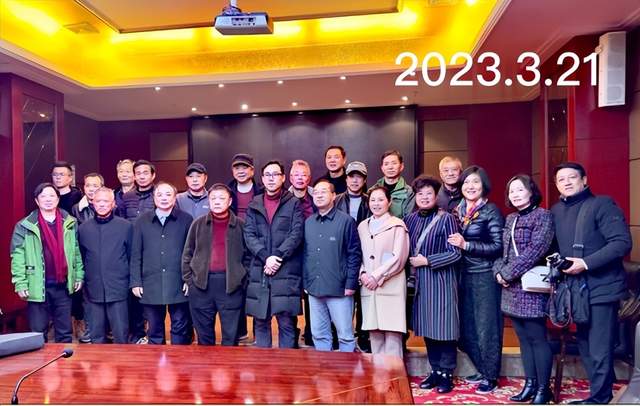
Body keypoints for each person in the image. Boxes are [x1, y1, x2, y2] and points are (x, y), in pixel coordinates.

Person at [551, 162, 632, 404]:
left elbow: (622, 243)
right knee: (586, 344)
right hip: (575, 289)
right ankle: (600, 394)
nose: (566, 182)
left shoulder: (602, 204)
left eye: (572, 177)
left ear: (584, 180)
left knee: (599, 347)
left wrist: (585, 263)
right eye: (561, 179)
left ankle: (600, 398)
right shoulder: (556, 210)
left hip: (602, 286)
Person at [493, 175, 554, 404]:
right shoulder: (511, 218)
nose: (515, 194)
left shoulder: (543, 216)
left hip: (531, 288)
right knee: (523, 339)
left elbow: (536, 250)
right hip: (511, 288)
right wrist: (498, 272)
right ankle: (530, 384)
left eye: (520, 189)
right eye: (512, 191)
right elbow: (504, 252)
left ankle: (543, 389)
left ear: (531, 191)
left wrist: (507, 274)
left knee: (537, 338)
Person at [447, 165, 504, 394]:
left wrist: (467, 245)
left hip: (484, 275)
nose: (470, 186)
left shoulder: (490, 211)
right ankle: (481, 367)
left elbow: (498, 246)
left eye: (475, 182)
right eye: (467, 182)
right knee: (467, 328)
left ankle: (490, 375)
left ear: (483, 185)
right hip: (462, 274)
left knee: (486, 328)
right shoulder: (458, 210)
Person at [404, 175, 461, 394]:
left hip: (441, 282)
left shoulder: (447, 219)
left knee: (444, 329)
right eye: (420, 194)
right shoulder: (410, 220)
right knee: (428, 328)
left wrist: (427, 261)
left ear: (436, 196)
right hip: (419, 284)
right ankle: (435, 370)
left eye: (429, 193)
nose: (425, 197)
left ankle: (447, 373)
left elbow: (455, 253)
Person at [10, 183, 84, 343]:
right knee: (38, 333)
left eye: (52, 196)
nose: (48, 199)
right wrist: (20, 283)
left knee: (64, 333)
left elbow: (76, 251)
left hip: (63, 285)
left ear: (58, 199)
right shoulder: (25, 226)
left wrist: (78, 275)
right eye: (43, 196)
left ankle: (63, 360)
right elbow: (17, 256)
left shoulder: (69, 222)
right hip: (37, 285)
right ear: (37, 201)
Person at [244, 160, 304, 349]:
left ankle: (286, 366)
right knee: (261, 321)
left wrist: (277, 256)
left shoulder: (293, 203)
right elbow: (249, 234)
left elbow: (296, 233)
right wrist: (265, 257)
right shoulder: (254, 204)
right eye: (267, 175)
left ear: (283, 178)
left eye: (275, 174)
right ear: (262, 179)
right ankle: (265, 365)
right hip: (260, 270)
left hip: (285, 269)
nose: (271, 179)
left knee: (286, 322)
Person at [182, 183, 249, 346]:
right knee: (204, 339)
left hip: (231, 286)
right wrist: (190, 281)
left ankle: (229, 363)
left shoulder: (240, 225)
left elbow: (248, 257)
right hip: (201, 286)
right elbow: (187, 254)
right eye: (213, 198)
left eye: (221, 198)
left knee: (231, 338)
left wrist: (242, 279)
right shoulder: (198, 224)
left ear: (230, 201)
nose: (217, 202)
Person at [130, 182, 193, 345]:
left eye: (168, 194)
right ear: (154, 197)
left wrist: (189, 279)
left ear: (175, 198)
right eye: (159, 195)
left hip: (177, 281)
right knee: (154, 330)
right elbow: (136, 254)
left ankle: (178, 359)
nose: (164, 198)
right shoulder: (142, 221)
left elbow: (191, 253)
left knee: (180, 327)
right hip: (150, 282)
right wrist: (136, 281)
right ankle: (156, 360)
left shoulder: (186, 220)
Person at [303, 180, 362, 352]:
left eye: (323, 191)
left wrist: (351, 284)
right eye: (316, 192)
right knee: (319, 334)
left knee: (345, 336)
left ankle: (346, 369)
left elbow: (354, 254)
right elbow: (305, 254)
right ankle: (324, 369)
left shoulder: (346, 221)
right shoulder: (309, 222)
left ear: (334, 196)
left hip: (340, 289)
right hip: (314, 289)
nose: (319, 195)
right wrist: (306, 283)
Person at [358, 185, 410, 358]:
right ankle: (378, 373)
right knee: (375, 335)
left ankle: (394, 375)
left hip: (390, 286)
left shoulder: (397, 225)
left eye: (380, 199)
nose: (376, 203)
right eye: (372, 200)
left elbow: (399, 257)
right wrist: (363, 274)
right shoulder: (362, 226)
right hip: (368, 287)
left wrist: (376, 276)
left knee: (392, 335)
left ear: (389, 202)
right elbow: (357, 255)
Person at [78, 187, 133, 344]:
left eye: (106, 201)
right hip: (92, 288)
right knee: (96, 336)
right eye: (98, 201)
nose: (102, 204)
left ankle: (122, 361)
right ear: (92, 203)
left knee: (121, 334)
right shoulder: (83, 228)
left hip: (118, 287)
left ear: (113, 203)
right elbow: (81, 257)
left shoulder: (125, 226)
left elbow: (131, 256)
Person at [334, 160, 371, 352]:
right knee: (342, 299)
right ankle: (342, 338)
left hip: (366, 255)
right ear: (346, 179)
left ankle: (363, 337)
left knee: (364, 299)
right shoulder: (336, 200)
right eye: (351, 176)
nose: (355, 180)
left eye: (359, 177)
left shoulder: (371, 200)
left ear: (364, 180)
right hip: (342, 256)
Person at [120, 159, 156, 343]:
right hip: (131, 250)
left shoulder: (159, 194)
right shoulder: (127, 197)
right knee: (133, 293)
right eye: (138, 173)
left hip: (153, 250)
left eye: (145, 173)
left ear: (153, 175)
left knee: (152, 293)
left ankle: (154, 333)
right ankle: (138, 333)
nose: (142, 176)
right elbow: (121, 221)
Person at [288, 159, 316, 346]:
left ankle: (311, 332)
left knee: (312, 295)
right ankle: (292, 333)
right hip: (291, 254)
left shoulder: (317, 195)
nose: (300, 178)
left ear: (309, 178)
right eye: (296, 175)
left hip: (313, 253)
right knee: (291, 296)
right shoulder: (284, 197)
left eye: (303, 174)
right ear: (290, 178)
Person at [371, 150, 414, 218]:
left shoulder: (409, 192)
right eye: (386, 164)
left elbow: (409, 218)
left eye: (394, 163)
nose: (390, 167)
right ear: (382, 168)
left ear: (401, 166)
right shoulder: (373, 190)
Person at [228, 153, 263, 220]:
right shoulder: (227, 191)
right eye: (237, 168)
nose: (240, 171)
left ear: (252, 170)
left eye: (244, 168)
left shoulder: (261, 192)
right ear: (232, 171)